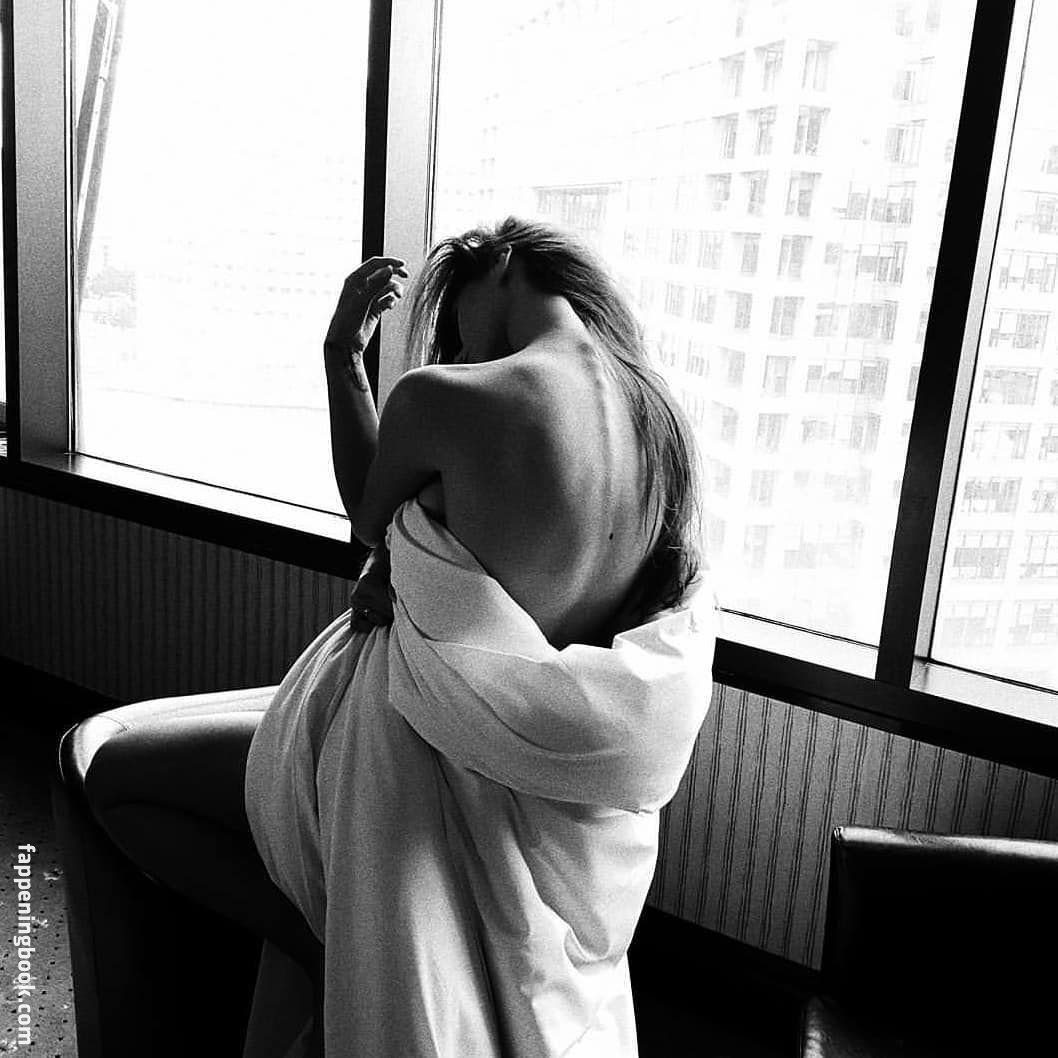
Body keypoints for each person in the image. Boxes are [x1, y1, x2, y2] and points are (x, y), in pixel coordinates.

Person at [82, 217, 716, 1058]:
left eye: (458, 320)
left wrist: (344, 358)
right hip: (554, 796)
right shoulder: (662, 419)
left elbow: (367, 515)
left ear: (501, 266)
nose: (460, 346)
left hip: (415, 756)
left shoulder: (449, 399)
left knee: (117, 777)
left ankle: (326, 951)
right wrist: (422, 572)